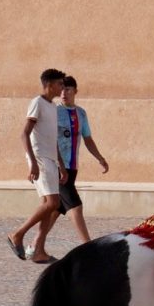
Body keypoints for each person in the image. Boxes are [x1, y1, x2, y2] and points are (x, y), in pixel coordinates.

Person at [8, 68, 66, 264]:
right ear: (49, 84)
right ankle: (18, 234)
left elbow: (53, 138)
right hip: (39, 157)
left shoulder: (53, 107)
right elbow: (24, 133)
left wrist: (61, 165)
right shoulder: (37, 103)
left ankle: (39, 250)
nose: (62, 88)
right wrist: (32, 162)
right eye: (59, 84)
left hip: (50, 159)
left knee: (48, 205)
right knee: (53, 203)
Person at [53, 75, 110, 249]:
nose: (64, 93)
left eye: (68, 89)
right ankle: (88, 248)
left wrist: (100, 157)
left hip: (72, 167)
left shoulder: (81, 113)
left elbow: (87, 138)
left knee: (56, 209)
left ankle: (33, 244)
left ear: (75, 91)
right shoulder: (54, 111)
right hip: (57, 166)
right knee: (75, 206)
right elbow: (48, 139)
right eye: (61, 89)